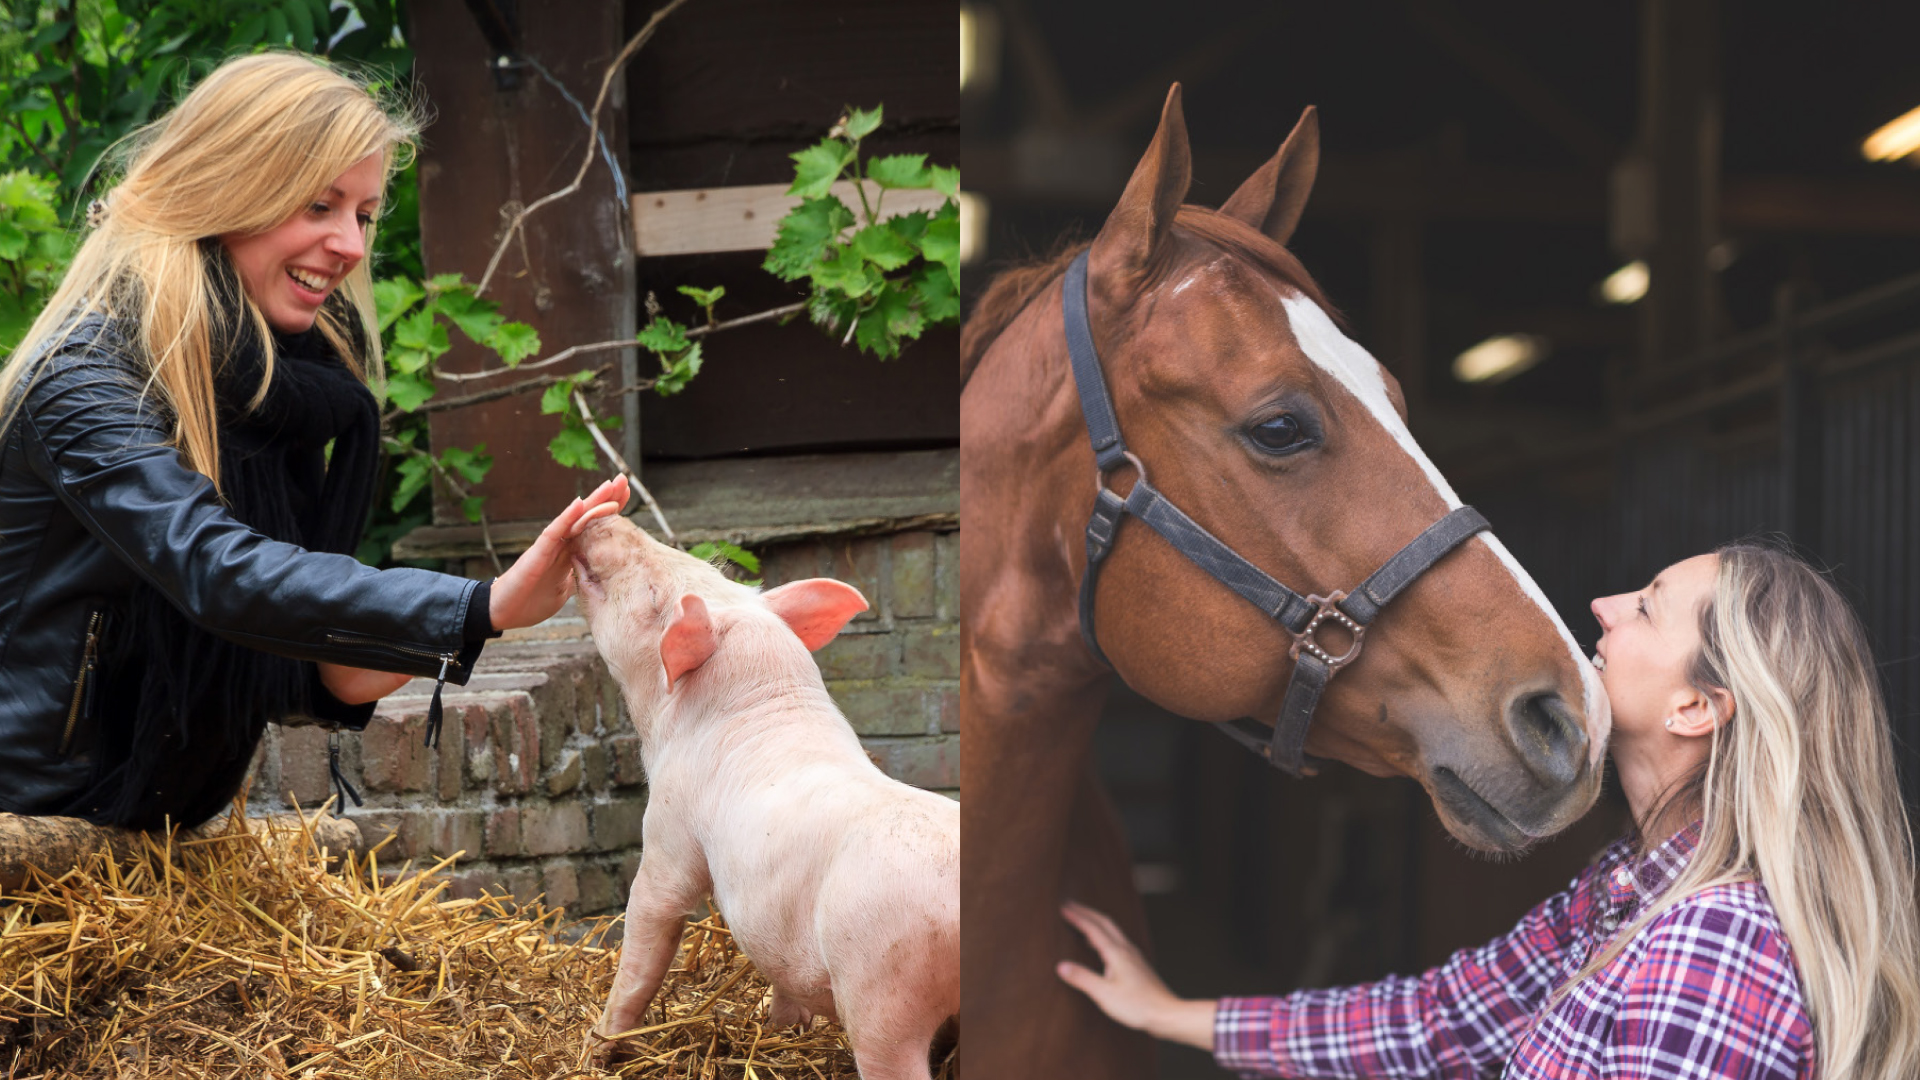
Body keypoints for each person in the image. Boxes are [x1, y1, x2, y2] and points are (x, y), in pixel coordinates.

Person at [0, 52, 627, 830]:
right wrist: (476, 605)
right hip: (30, 827)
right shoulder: (84, 377)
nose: (353, 247)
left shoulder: (279, 386)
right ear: (225, 188)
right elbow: (217, 570)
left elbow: (316, 671)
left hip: (150, 840)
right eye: (319, 206)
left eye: (362, 215)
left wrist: (462, 624)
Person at [1058, 543, 1920, 1079]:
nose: (1605, 607)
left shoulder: (1712, 946)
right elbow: (1437, 1022)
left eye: (1647, 608)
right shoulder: (1625, 890)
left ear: (1696, 709)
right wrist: (1172, 1015)